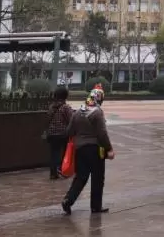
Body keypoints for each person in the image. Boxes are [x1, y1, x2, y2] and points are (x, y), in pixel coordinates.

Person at [61, 86, 114, 215]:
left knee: (81, 177)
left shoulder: (78, 111)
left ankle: (68, 200)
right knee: (97, 178)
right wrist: (109, 149)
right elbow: (102, 134)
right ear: (100, 99)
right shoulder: (97, 112)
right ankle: (96, 207)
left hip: (80, 150)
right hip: (95, 150)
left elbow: (69, 131)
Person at [45, 86, 74, 179]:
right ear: (65, 96)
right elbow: (71, 120)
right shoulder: (66, 107)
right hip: (63, 134)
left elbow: (48, 119)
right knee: (64, 153)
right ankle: (62, 170)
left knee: (54, 153)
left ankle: (53, 173)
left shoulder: (51, 107)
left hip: (52, 134)